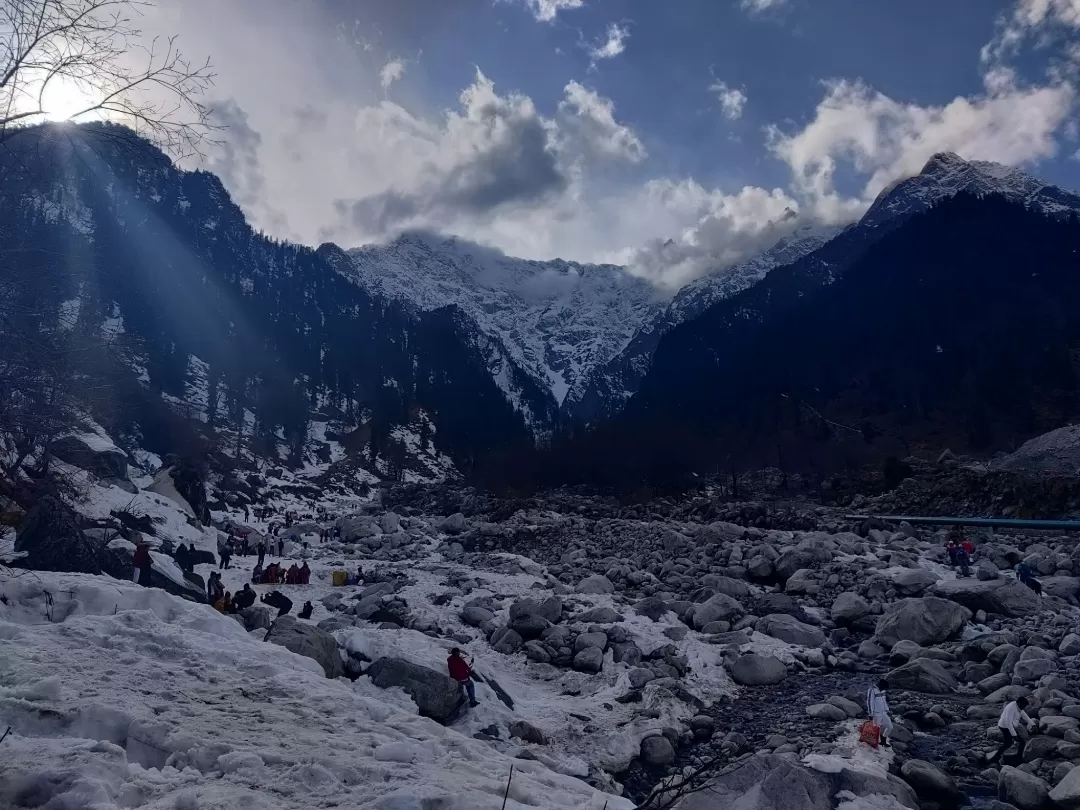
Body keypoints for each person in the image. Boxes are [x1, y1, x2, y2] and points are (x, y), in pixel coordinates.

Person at [990, 697, 1035, 764]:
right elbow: (1008, 723)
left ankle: (1017, 757)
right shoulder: (1011, 708)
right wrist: (1014, 735)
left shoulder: (1019, 707)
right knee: (1009, 743)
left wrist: (1033, 724)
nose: (1024, 707)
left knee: (1020, 742)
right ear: (1019, 703)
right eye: (1024, 706)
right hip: (1004, 726)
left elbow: (1024, 716)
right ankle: (995, 758)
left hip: (1012, 726)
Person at [866, 679, 893, 748]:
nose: (884, 689)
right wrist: (870, 714)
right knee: (876, 730)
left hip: (884, 712)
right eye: (884, 687)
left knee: (890, 727)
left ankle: (883, 740)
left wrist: (887, 709)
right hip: (876, 714)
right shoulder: (872, 690)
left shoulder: (883, 690)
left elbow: (884, 701)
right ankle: (874, 744)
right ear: (880, 685)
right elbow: (870, 702)